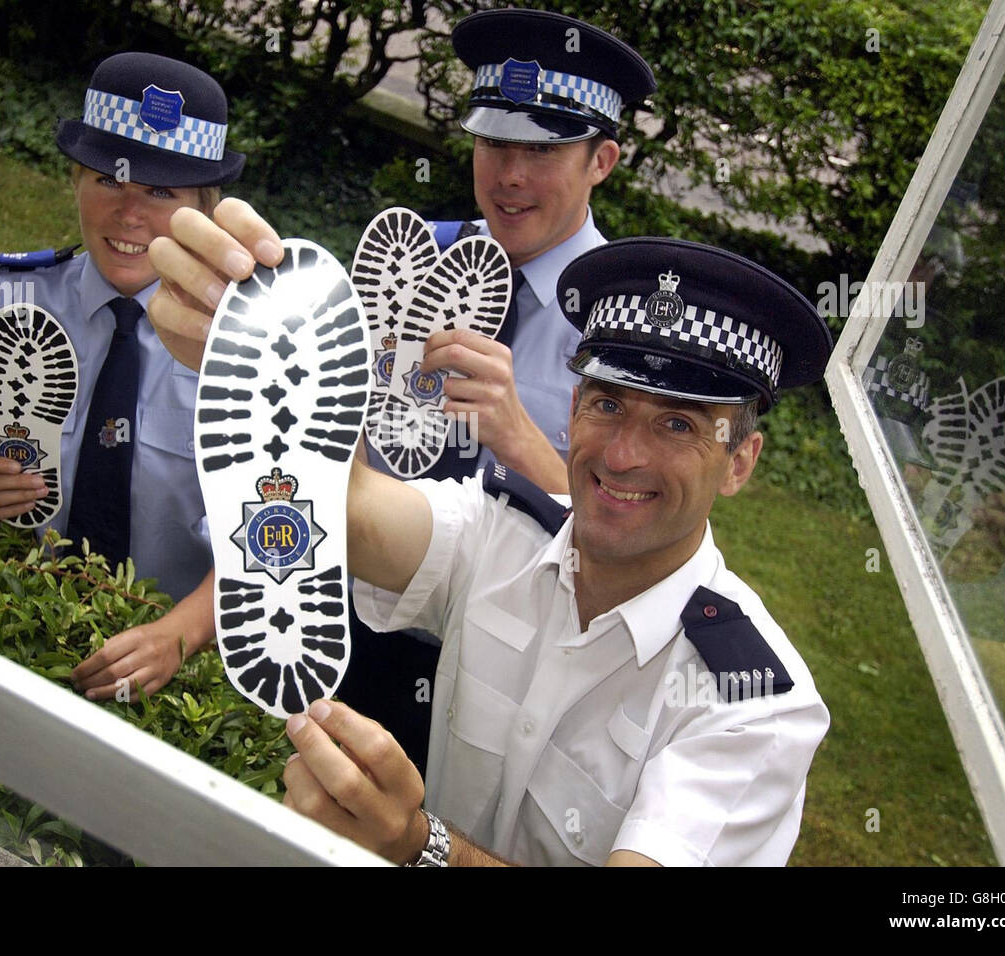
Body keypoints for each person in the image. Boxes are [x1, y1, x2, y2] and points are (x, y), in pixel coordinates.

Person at [150, 211, 834, 865]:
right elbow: (345, 507)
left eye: (678, 425)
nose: (624, 454)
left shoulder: (754, 704)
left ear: (739, 462)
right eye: (608, 404)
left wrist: (420, 849)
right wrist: (267, 348)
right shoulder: (505, 531)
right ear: (574, 409)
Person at [149, 7, 656, 771]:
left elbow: (647, 554)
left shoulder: (633, 333)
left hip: (505, 680)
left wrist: (519, 439)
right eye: (494, 141)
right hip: (342, 633)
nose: (510, 175)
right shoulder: (413, 263)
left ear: (604, 161)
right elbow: (324, 455)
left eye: (543, 150)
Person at [0, 52, 250, 700]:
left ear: (206, 208)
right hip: (9, 635)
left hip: (187, 680)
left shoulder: (248, 346)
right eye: (110, 179)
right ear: (76, 178)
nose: (130, 214)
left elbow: (281, 547)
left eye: (162, 191)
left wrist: (177, 635)